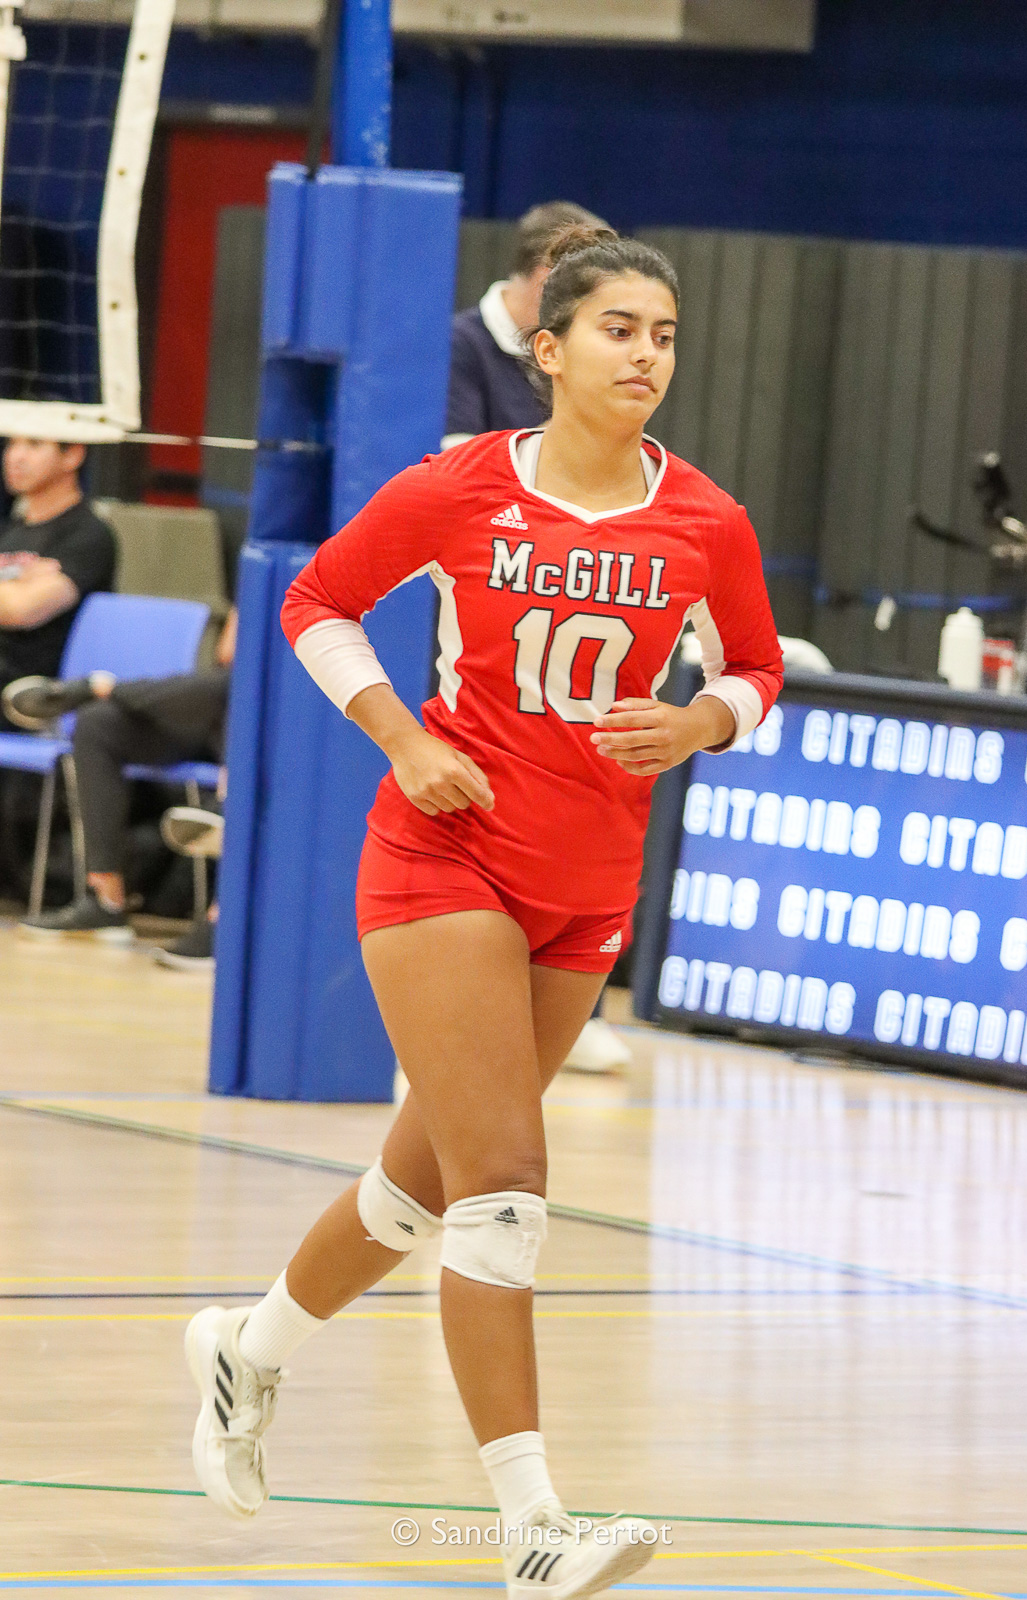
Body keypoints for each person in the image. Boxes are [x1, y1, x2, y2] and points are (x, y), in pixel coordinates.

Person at [183, 225, 782, 1597]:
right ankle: (532, 1531)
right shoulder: (461, 485)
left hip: (587, 890)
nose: (646, 354)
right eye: (620, 329)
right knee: (505, 1183)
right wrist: (401, 737)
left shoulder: (703, 518)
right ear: (549, 347)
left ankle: (245, 1350)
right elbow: (319, 603)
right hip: (444, 860)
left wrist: (695, 719)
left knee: (420, 1188)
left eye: (665, 334)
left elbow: (754, 668)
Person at [446, 200, 631, 1073]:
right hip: (480, 605)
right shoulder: (460, 349)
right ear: (537, 283)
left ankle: (558, 991)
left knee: (570, 789)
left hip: (565, 607)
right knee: (476, 801)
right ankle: (458, 1010)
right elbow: (465, 484)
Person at [9, 607, 235, 950]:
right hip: (212, 715)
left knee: (233, 689)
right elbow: (229, 651)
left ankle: (225, 919)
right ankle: (105, 899)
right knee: (100, 725)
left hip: (274, 715)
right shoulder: (271, 571)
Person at [443, 201, 606, 450]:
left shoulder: (572, 345)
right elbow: (459, 459)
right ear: (547, 279)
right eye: (588, 289)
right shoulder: (459, 343)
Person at [0, 436, 115, 729]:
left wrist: (17, 594)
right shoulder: (11, 531)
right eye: (12, 444)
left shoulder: (88, 535)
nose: (16, 457)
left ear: (73, 455)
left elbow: (22, 611)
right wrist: (19, 583)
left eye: (35, 444)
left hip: (32, 693)